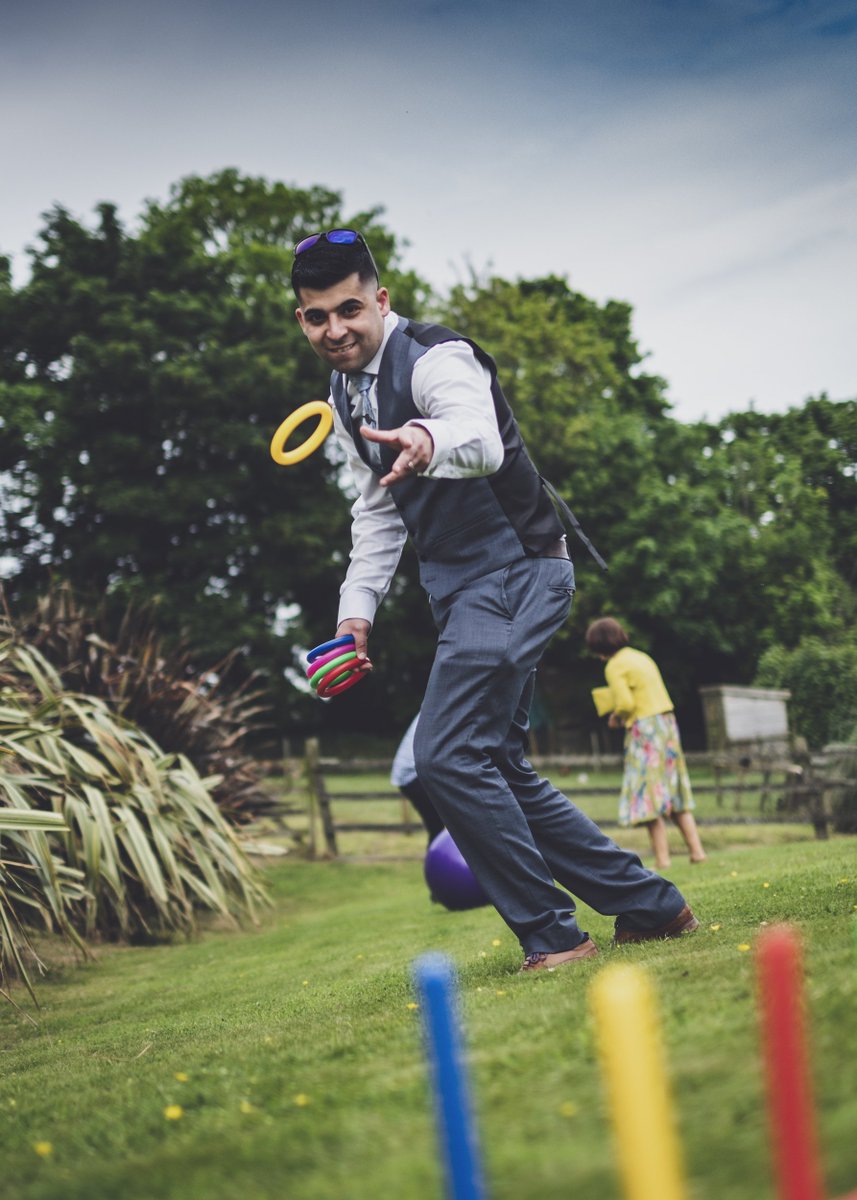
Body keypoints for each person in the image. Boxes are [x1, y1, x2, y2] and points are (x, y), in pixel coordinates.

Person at [291, 228, 698, 970]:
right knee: (495, 763)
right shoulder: (343, 397)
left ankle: (551, 935)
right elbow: (378, 514)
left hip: (516, 571)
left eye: (348, 309)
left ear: (379, 300)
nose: (335, 328)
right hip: (464, 595)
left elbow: (477, 438)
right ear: (302, 321)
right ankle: (651, 906)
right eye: (317, 316)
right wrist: (356, 619)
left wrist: (423, 439)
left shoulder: (439, 356)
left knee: (443, 757)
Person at [585, 617, 707, 869]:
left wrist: (617, 718)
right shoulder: (641, 657)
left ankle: (663, 859)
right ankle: (697, 852)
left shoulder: (615, 666)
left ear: (598, 645)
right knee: (673, 790)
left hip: (645, 730)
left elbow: (626, 704)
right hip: (667, 724)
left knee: (648, 792)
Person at [390, 713, 445, 847]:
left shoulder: (440, 701)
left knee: (440, 828)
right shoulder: (446, 704)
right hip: (414, 774)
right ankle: (438, 865)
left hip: (415, 771)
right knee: (439, 828)